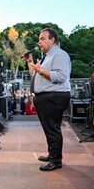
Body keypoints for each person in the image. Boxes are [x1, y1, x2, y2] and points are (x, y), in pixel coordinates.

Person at [25, 28, 71, 171]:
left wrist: (41, 71)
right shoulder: (48, 56)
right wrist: (30, 62)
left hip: (54, 97)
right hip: (47, 97)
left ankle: (56, 160)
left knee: (52, 129)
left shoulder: (59, 54)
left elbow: (62, 76)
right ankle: (53, 155)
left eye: (43, 39)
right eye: (40, 39)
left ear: (52, 40)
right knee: (49, 128)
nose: (39, 42)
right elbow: (35, 75)